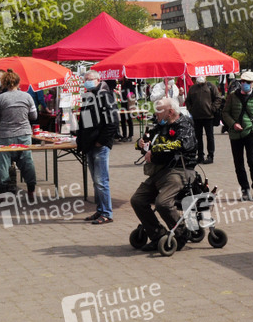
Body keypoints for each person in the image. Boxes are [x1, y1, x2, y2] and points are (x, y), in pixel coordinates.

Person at [130, 97, 197, 251]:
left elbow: (182, 144)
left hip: (180, 170)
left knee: (162, 203)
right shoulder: (160, 125)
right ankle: (158, 235)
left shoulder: (184, 125)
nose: (156, 113)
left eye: (159, 110)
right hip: (160, 170)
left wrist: (155, 149)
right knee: (137, 200)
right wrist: (140, 143)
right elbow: (146, 141)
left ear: (170, 112)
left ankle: (182, 233)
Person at [76, 70, 119, 225]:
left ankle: (107, 213)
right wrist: (81, 140)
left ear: (98, 80)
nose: (87, 81)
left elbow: (113, 122)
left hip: (100, 145)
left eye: (90, 79)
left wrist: (101, 141)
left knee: (101, 181)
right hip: (90, 145)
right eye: (85, 79)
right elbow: (86, 121)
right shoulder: (89, 96)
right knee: (96, 181)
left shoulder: (105, 95)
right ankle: (100, 210)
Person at [221, 71, 253, 201]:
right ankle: (245, 189)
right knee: (238, 163)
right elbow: (225, 113)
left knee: (252, 161)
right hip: (235, 134)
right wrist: (233, 124)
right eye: (242, 81)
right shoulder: (232, 96)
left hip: (250, 133)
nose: (244, 84)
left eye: (248, 82)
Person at [0, 70, 38, 198]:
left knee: (3, 163)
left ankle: (3, 189)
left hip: (5, 135)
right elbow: (34, 116)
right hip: (24, 134)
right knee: (27, 161)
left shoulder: (0, 98)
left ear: (4, 83)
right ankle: (31, 189)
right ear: (18, 82)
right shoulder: (27, 97)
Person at [185, 75, 223, 164]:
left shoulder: (211, 86)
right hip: (196, 117)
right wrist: (191, 110)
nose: (200, 77)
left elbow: (218, 98)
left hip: (208, 117)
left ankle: (210, 156)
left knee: (210, 137)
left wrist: (213, 108)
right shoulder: (192, 88)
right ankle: (200, 156)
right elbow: (188, 101)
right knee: (198, 137)